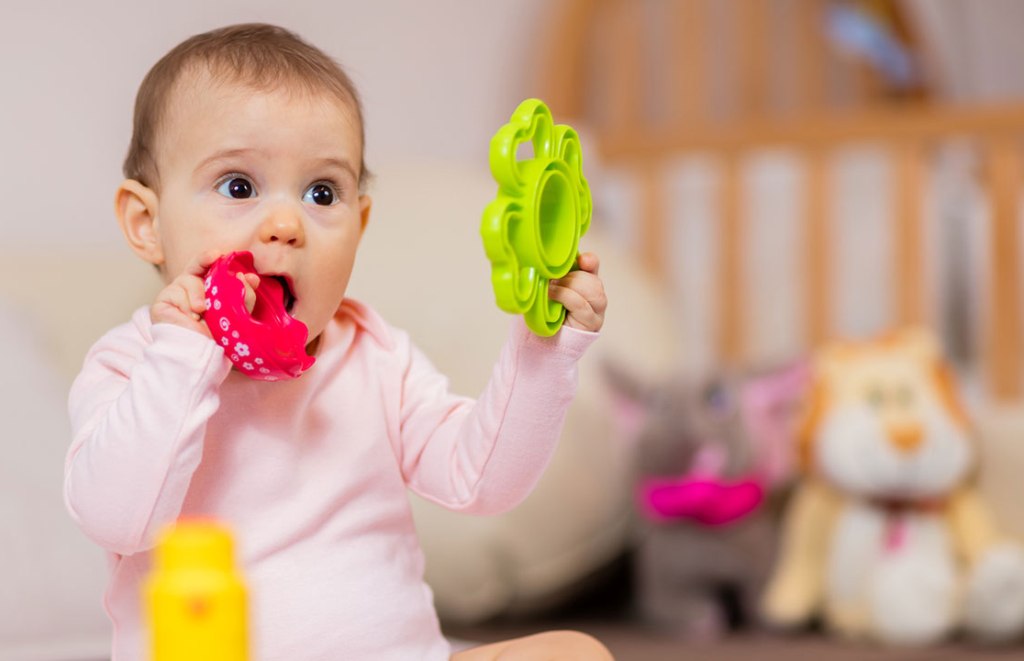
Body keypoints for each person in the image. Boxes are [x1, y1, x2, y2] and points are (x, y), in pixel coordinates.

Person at [63, 22, 611, 661]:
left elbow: (482, 480)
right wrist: (184, 356)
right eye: (238, 186)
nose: (286, 223)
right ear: (146, 223)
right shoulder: (132, 366)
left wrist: (543, 352)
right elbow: (117, 518)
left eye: (322, 192)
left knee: (574, 652)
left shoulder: (375, 353)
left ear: (360, 222)